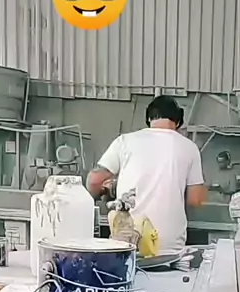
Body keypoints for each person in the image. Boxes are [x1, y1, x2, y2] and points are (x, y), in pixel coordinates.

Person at [87, 95, 207, 254]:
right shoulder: (189, 147)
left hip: (127, 240)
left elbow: (94, 180)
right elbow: (195, 200)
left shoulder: (125, 141)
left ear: (149, 118)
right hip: (167, 246)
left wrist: (102, 195)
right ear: (178, 121)